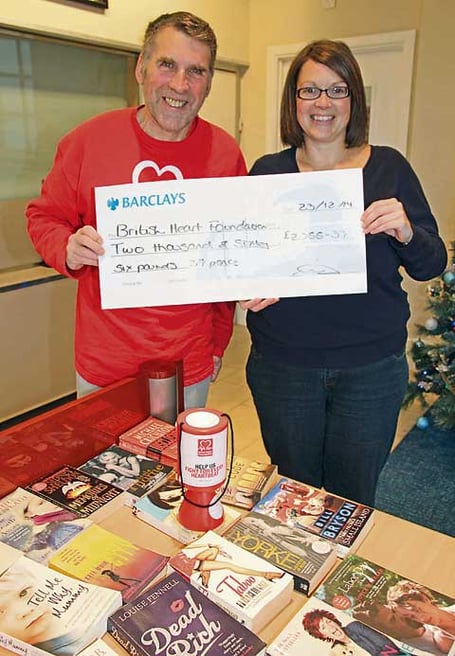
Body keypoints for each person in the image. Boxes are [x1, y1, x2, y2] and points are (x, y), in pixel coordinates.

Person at [240, 39, 447, 506]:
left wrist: (406, 231)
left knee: (352, 500)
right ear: (293, 100)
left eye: (337, 90)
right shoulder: (266, 173)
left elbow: (432, 263)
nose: (323, 103)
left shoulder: (389, 167)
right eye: (310, 90)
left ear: (354, 99)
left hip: (370, 370)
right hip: (284, 366)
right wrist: (245, 284)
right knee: (295, 495)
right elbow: (244, 259)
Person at [26, 11, 247, 407]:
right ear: (141, 68)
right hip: (104, 363)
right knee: (101, 450)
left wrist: (218, 341)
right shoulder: (89, 141)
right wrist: (66, 247)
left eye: (196, 71)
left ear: (209, 82)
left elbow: (229, 256)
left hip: (188, 362)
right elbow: (43, 217)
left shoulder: (226, 155)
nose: (180, 84)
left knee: (179, 450)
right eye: (167, 65)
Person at [353, 599, 450, 655]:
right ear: (388, 633)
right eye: (392, 619)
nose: (401, 616)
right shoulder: (413, 651)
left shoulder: (436, 615)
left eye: (394, 611)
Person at [302, 606, 411, 656]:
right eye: (324, 627)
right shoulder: (336, 651)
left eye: (329, 621)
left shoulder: (354, 627)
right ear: (322, 635)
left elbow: (386, 644)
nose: (331, 627)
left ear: (334, 621)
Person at [172, 543, 284, 588]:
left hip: (189, 560)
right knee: (229, 565)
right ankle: (265, 574)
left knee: (214, 550)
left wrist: (207, 544)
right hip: (189, 565)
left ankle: (205, 575)